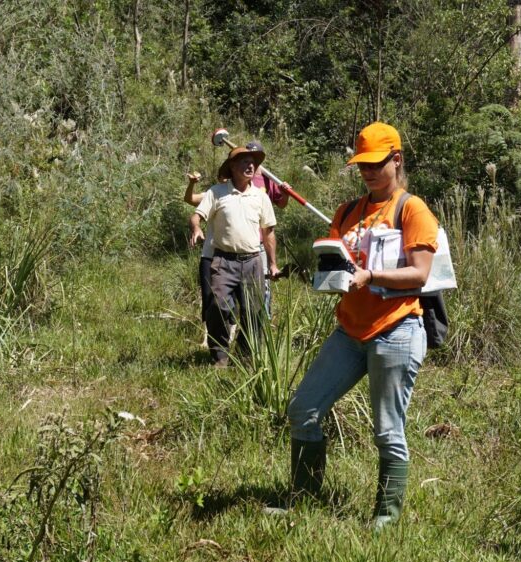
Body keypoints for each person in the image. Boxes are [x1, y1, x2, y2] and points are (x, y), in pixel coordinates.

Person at [284, 122, 439, 529]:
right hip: (349, 331)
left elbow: (420, 274)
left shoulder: (412, 210)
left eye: (375, 163)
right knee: (303, 409)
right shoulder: (347, 212)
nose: (367, 172)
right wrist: (328, 277)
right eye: (362, 165)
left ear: (396, 160)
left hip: (397, 329)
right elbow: (338, 264)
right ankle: (303, 500)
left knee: (388, 430)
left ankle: (385, 519)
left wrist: (371, 276)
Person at [182, 142, 289, 334]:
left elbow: (268, 232)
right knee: (218, 306)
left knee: (254, 313)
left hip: (253, 260)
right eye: (245, 162)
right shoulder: (216, 192)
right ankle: (219, 349)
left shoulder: (261, 196)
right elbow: (195, 214)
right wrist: (196, 227)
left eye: (253, 162)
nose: (251, 166)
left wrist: (273, 264)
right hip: (223, 260)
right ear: (232, 166)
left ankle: (245, 350)